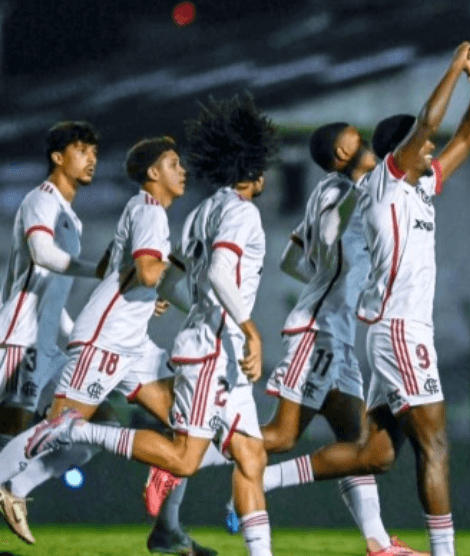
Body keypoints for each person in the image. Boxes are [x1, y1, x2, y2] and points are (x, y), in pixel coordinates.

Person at [239, 42, 470, 556]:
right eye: (423, 144)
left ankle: (263, 479)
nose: (431, 148)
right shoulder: (386, 184)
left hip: (397, 329)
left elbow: (468, 136)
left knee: (375, 455)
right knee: (434, 442)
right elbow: (429, 121)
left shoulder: (422, 186)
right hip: (399, 328)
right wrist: (452, 68)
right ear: (401, 152)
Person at [27, 93, 280, 556]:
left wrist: (191, 310)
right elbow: (219, 272)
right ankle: (74, 430)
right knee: (184, 458)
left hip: (214, 347)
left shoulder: (202, 212)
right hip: (213, 351)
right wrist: (250, 329)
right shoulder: (242, 213)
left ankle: (187, 535)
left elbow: (179, 278)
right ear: (254, 168)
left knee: (251, 454)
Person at [0, 136, 213, 555]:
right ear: (153, 173)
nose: (183, 170)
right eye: (174, 163)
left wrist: (159, 293)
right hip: (105, 340)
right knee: (56, 429)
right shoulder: (149, 211)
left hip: (132, 344)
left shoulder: (147, 212)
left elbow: (139, 275)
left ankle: (167, 529)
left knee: (187, 421)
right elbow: (148, 272)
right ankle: (11, 484)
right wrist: (188, 272)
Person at [0, 121, 104, 544]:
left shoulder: (72, 219)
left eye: (94, 151)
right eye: (81, 150)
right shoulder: (40, 200)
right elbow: (42, 254)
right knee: (12, 435)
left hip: (45, 345)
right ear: (58, 157)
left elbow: (55, 296)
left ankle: (15, 490)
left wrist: (80, 339)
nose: (91, 158)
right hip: (15, 338)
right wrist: (99, 270)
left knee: (84, 435)